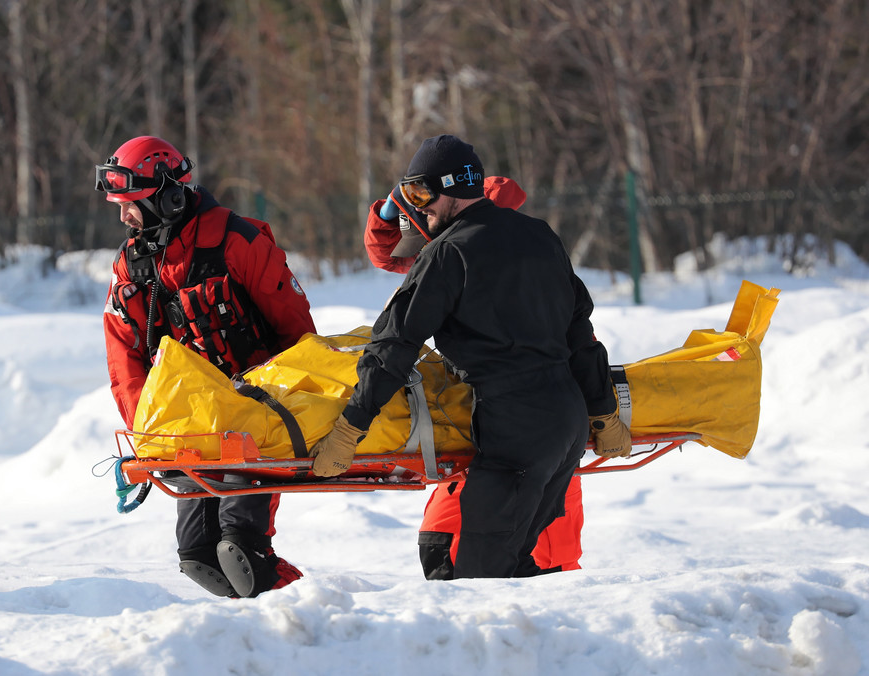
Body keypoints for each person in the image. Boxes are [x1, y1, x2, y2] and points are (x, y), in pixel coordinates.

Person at [311, 134, 631, 579]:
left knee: (483, 586)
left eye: (422, 194)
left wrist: (352, 426)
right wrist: (601, 411)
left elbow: (393, 345)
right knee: (515, 568)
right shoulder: (539, 236)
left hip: (515, 434)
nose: (418, 208)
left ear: (452, 190)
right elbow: (580, 335)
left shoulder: (448, 253)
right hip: (566, 427)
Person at [98, 135, 315, 598]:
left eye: (132, 203)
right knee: (198, 558)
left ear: (170, 196)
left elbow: (298, 336)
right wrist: (148, 428)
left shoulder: (238, 241)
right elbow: (123, 354)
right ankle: (245, 642)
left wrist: (291, 414)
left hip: (254, 419)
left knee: (240, 553)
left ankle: (311, 618)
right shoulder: (132, 265)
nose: (123, 217)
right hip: (189, 427)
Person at [363, 174, 588, 577]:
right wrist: (391, 206)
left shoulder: (487, 242)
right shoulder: (449, 243)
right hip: (487, 431)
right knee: (445, 549)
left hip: (531, 426)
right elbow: (387, 252)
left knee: (530, 564)